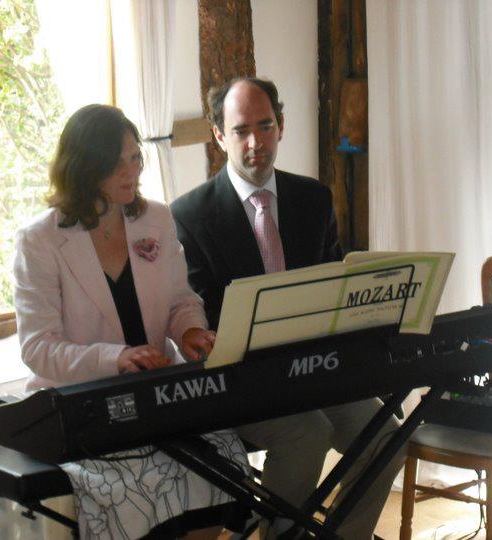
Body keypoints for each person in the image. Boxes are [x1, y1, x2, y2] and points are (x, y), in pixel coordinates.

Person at [170, 78, 404, 539]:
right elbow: (202, 317)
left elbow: (334, 291)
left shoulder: (313, 199)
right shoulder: (189, 215)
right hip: (241, 380)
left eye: (266, 126)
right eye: (240, 131)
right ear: (219, 136)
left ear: (281, 126)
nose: (255, 142)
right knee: (308, 434)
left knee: (386, 437)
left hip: (315, 369)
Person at [13, 104, 249, 539]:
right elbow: (38, 349)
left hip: (154, 396)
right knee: (136, 485)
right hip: (85, 408)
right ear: (84, 167)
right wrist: (116, 359)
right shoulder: (40, 241)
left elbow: (180, 299)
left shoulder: (155, 219)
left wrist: (191, 330)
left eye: (136, 158)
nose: (132, 171)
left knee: (225, 458)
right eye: (116, 162)